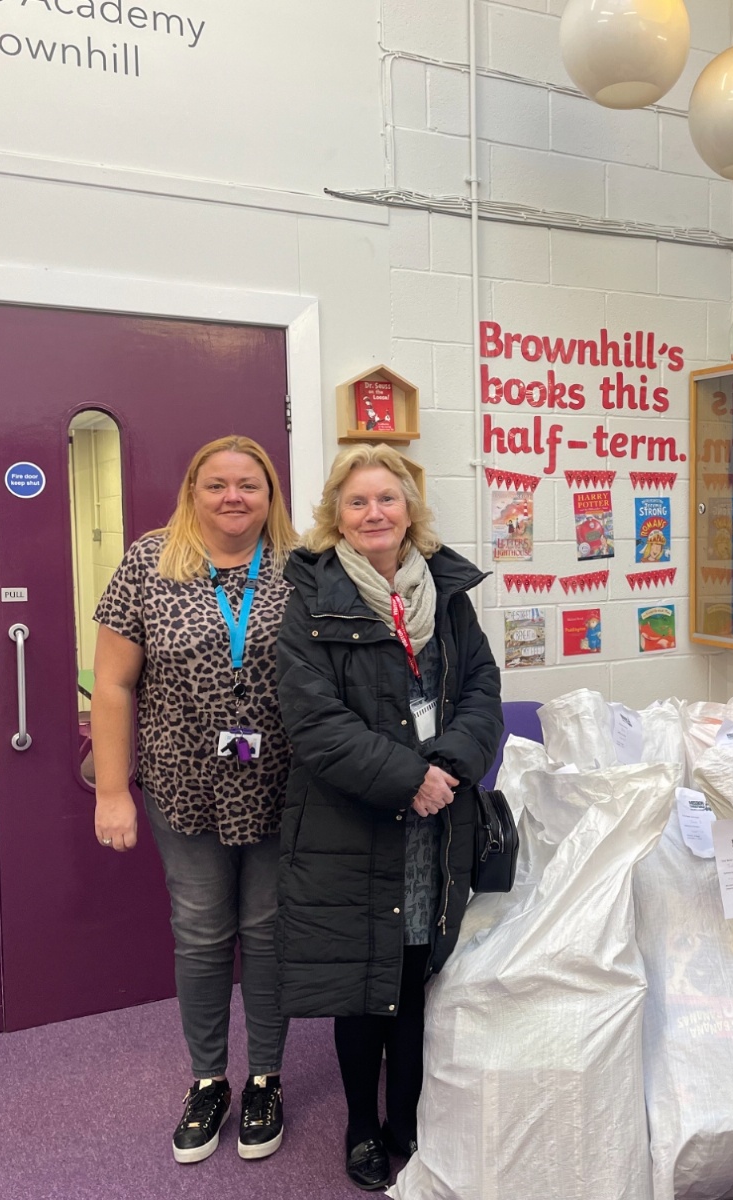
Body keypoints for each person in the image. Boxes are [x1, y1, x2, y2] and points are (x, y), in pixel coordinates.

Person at [274, 444, 504, 1192]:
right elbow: (314, 722)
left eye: (387, 499)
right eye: (357, 501)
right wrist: (411, 780)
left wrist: (451, 768)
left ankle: (406, 1118)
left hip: (438, 818)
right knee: (363, 983)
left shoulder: (448, 591)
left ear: (410, 510)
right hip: (355, 818)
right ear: (336, 516)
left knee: (415, 968)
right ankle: (362, 1127)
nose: (374, 513)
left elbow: (481, 689)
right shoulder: (311, 596)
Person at [92, 435, 300, 1165]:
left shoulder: (302, 566)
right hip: (183, 785)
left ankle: (266, 1078)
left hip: (281, 786)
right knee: (203, 931)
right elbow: (112, 684)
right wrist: (112, 790)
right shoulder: (149, 562)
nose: (233, 497)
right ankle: (209, 1080)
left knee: (270, 933)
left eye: (249, 484)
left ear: (270, 495)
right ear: (192, 492)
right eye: (216, 484)